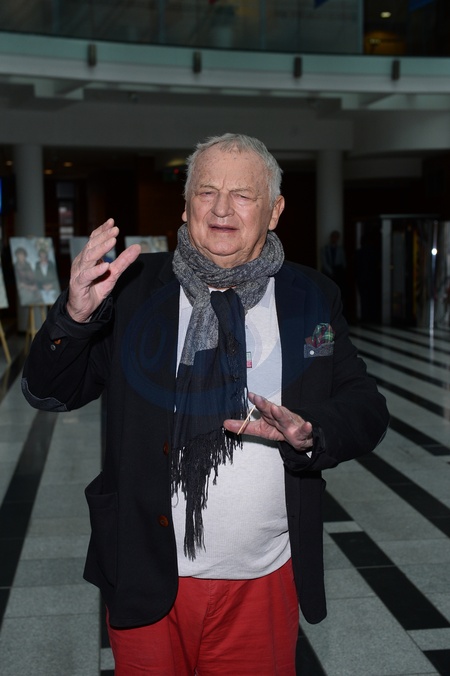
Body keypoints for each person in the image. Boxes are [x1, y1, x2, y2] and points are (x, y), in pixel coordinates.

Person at [22, 133, 389, 675]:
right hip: (145, 572)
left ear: (274, 211)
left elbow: (364, 405)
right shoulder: (131, 290)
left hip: (264, 577)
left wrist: (312, 430)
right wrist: (73, 319)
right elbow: (50, 391)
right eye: (206, 191)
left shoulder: (310, 298)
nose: (221, 209)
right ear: (186, 203)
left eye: (242, 195)